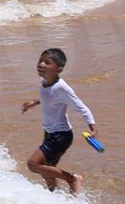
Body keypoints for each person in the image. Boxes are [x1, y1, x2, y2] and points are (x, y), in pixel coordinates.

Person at [21, 48, 96, 195]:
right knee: (47, 172)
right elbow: (49, 97)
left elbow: (82, 107)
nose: (41, 64)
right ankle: (57, 199)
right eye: (40, 61)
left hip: (61, 136)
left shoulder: (62, 88)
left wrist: (93, 128)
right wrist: (34, 103)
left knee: (33, 164)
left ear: (59, 70)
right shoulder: (45, 81)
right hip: (50, 133)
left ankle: (72, 179)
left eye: (47, 63)